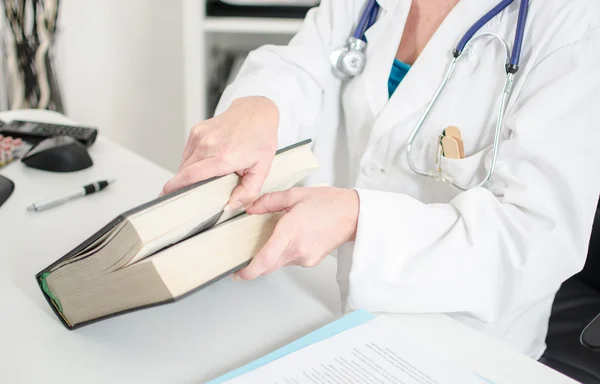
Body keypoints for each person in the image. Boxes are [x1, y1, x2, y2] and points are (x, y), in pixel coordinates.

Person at [162, 0, 600, 360]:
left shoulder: (575, 22)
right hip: (311, 307)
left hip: (462, 345)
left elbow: (537, 240)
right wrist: (258, 105)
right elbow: (299, 65)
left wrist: (358, 219)